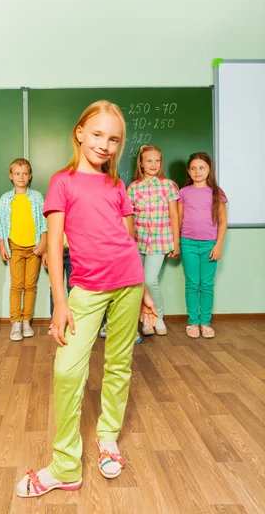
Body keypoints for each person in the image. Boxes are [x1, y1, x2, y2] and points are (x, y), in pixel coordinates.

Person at [16, 100, 157, 498]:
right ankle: (65, 465)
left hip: (129, 281)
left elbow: (127, 239)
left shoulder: (116, 185)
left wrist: (144, 289)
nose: (105, 145)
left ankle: (108, 437)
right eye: (97, 135)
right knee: (67, 371)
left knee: (119, 363)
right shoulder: (62, 182)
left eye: (114, 139)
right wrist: (60, 303)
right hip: (87, 289)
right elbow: (55, 247)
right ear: (79, 132)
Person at [127, 144, 179, 337]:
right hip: (138, 241)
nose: (153, 164)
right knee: (137, 282)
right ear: (141, 163)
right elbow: (128, 217)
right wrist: (130, 241)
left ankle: (159, 317)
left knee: (150, 279)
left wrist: (176, 242)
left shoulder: (168, 185)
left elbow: (174, 215)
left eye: (157, 160)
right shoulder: (133, 188)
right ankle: (145, 319)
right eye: (149, 161)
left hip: (160, 240)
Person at [178, 152, 227, 338]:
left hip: (210, 245)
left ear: (209, 170)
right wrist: (177, 242)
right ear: (188, 171)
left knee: (206, 284)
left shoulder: (217, 193)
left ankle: (205, 321)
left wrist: (218, 245)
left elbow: (223, 221)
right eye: (193, 168)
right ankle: (193, 322)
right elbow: (180, 219)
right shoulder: (183, 193)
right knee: (191, 283)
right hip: (188, 243)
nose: (197, 171)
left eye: (202, 168)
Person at [0, 158, 47, 341]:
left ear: (30, 175)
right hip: (15, 247)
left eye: (25, 173)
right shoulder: (5, 199)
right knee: (17, 286)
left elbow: (44, 222)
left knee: (30, 285)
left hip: (34, 248)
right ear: (11, 176)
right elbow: (1, 224)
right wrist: (2, 244)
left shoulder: (36, 197)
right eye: (17, 173)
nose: (21, 176)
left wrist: (43, 242)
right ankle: (15, 322)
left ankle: (27, 320)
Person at [46, 234, 72, 336]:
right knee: (55, 287)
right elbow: (48, 230)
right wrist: (46, 252)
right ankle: (54, 320)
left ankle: (73, 320)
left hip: (73, 250)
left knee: (73, 288)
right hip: (56, 250)